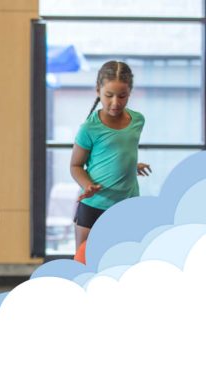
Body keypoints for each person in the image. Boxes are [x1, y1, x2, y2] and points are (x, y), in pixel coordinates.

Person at [70, 60, 151, 249]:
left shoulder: (138, 121)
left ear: (130, 92)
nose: (116, 102)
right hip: (94, 204)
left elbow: (119, 152)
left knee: (125, 258)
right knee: (85, 260)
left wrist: (130, 166)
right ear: (98, 90)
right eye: (109, 95)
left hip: (127, 204)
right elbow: (75, 166)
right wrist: (87, 185)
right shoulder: (89, 128)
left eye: (122, 96)